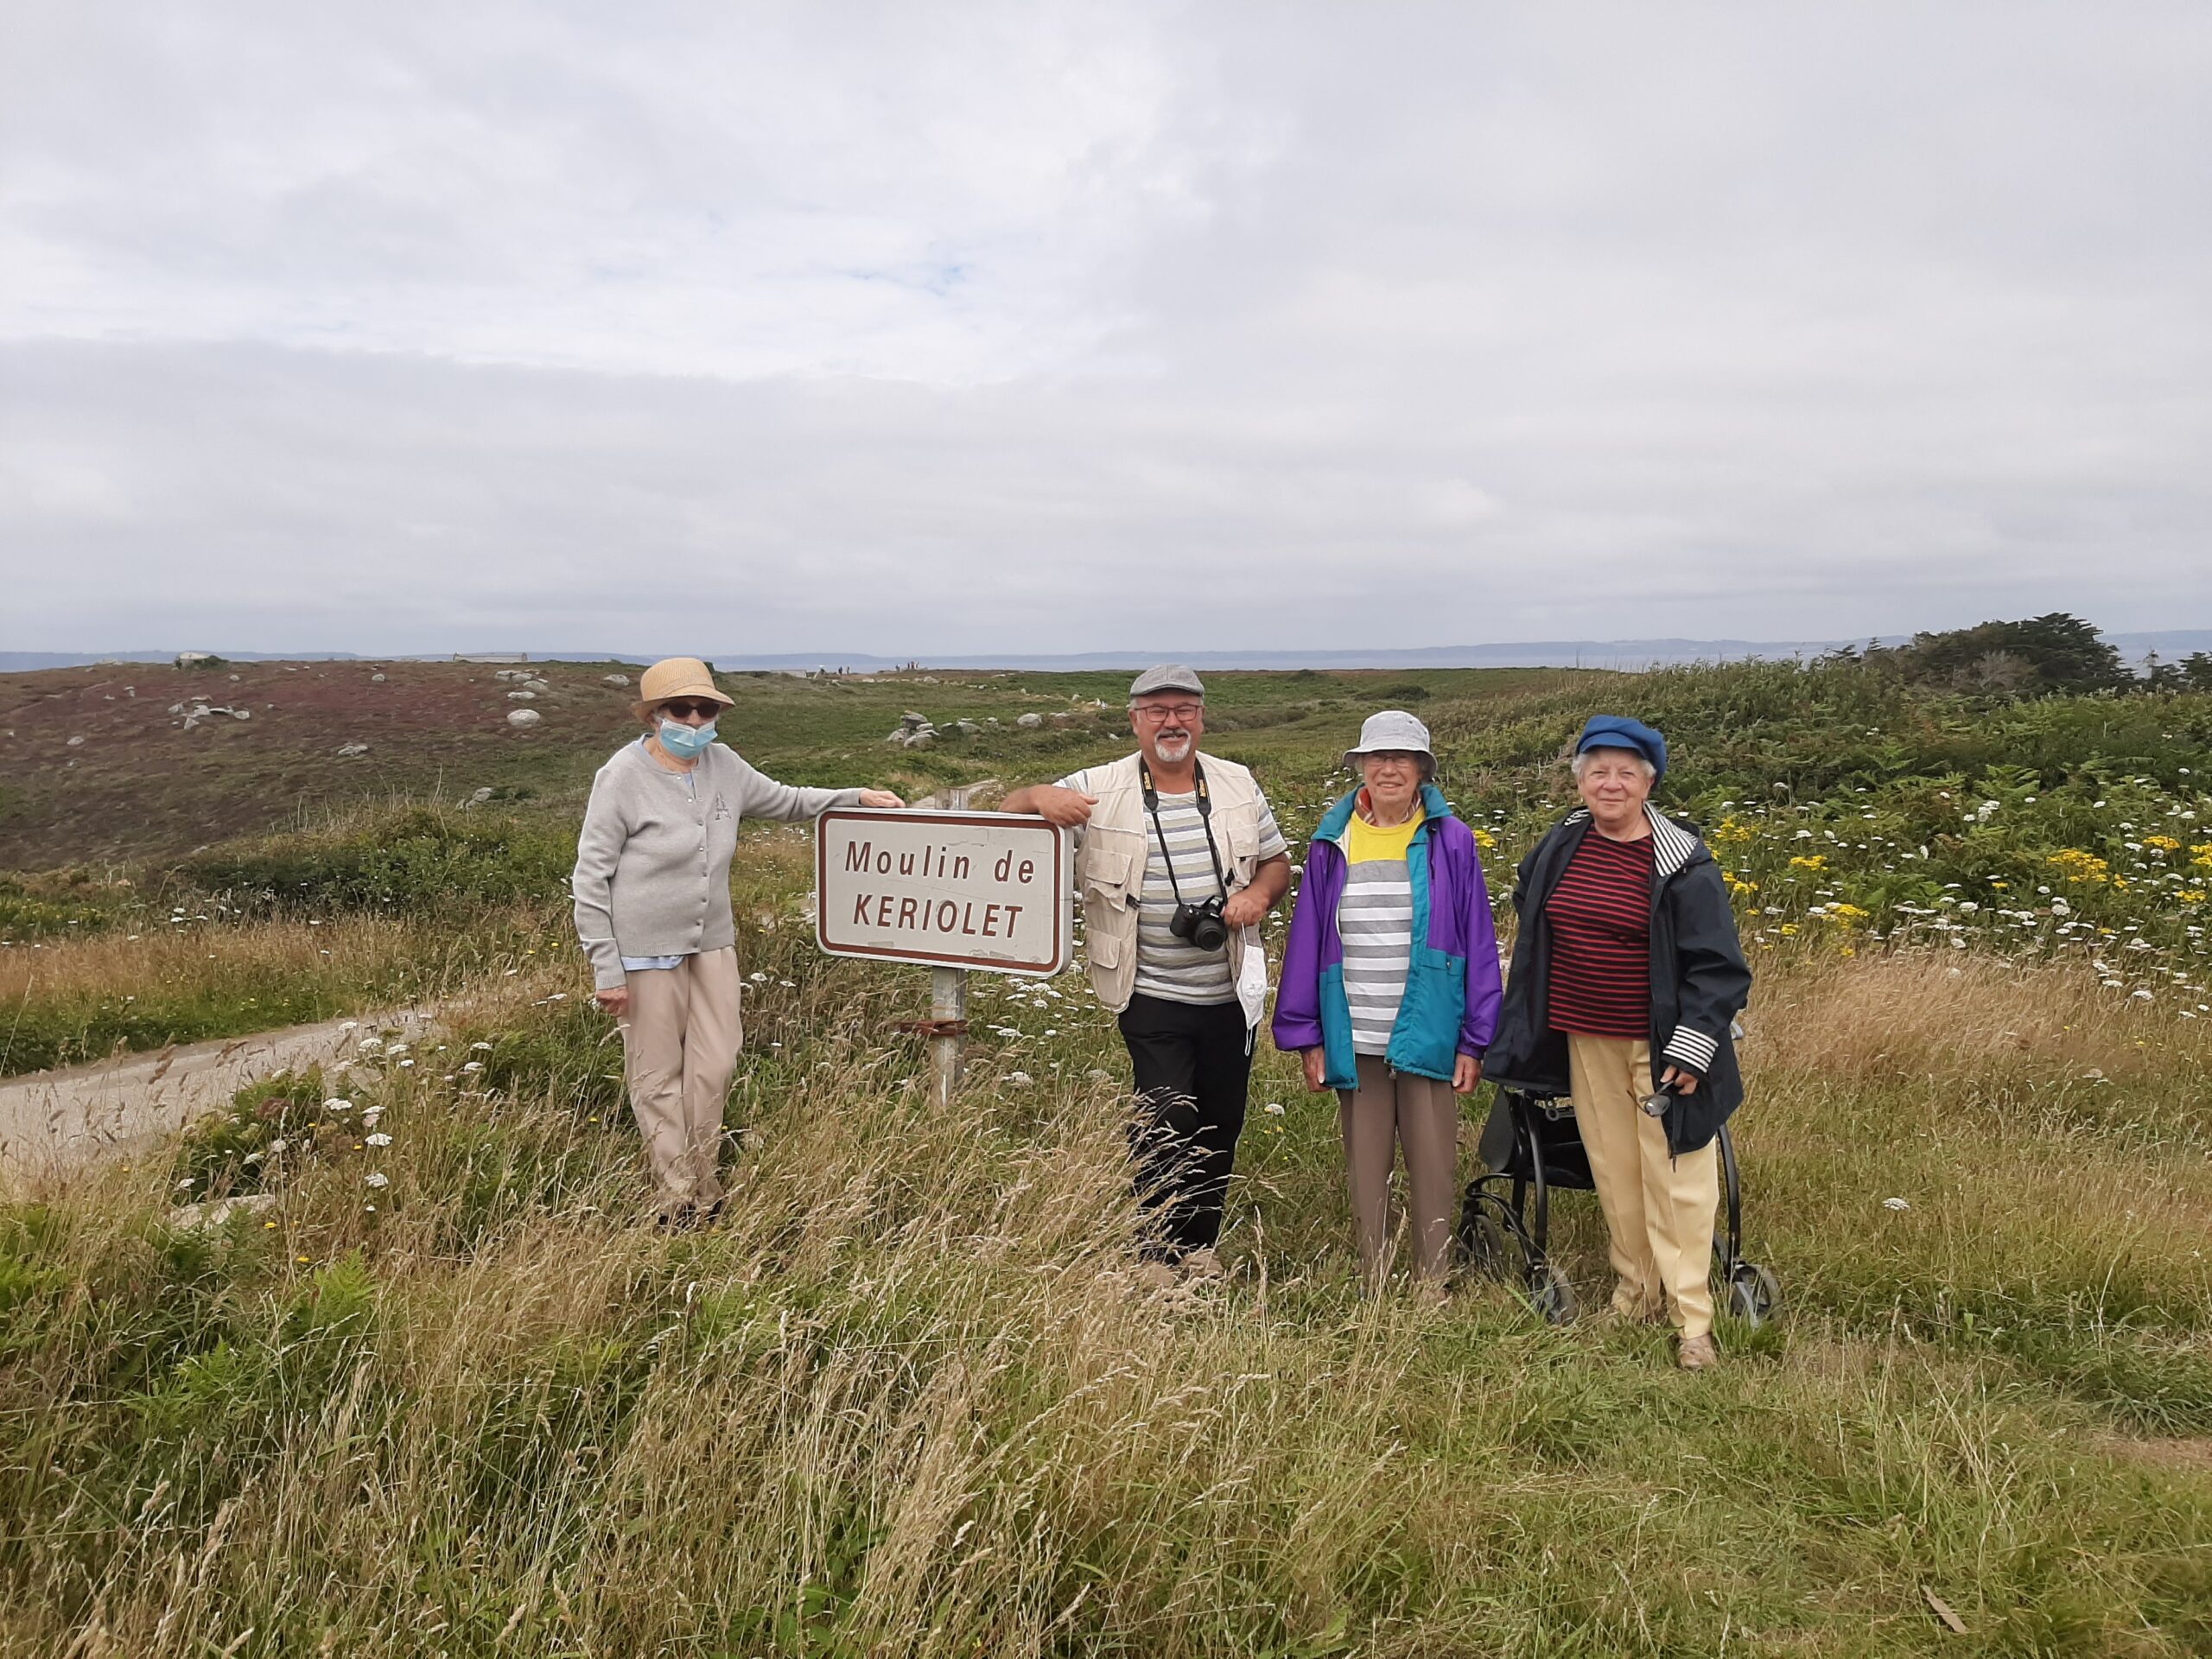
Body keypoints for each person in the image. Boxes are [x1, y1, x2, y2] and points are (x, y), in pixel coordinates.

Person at [572, 657, 904, 1223]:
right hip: (643, 950)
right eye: (681, 709)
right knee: (656, 1074)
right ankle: (679, 1196)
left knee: (715, 1065)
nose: (694, 720)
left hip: (712, 944)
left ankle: (703, 1179)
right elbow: (590, 877)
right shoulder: (621, 776)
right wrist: (607, 969)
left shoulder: (723, 764)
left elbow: (786, 799)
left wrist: (855, 796)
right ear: (654, 716)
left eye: (705, 709)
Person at [1002, 665, 1293, 1282]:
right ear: (1135, 720)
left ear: (1202, 718)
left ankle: (1199, 1247)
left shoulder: (1238, 784)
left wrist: (1258, 897)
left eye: (1184, 710)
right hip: (1148, 988)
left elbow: (1276, 863)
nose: (1171, 722)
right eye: (1157, 711)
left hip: (1231, 991)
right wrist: (1037, 796)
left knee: (1220, 1121)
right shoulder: (1096, 787)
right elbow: (1008, 813)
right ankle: (1155, 1250)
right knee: (1167, 1115)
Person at [1482, 715, 1752, 1370]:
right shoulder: (1562, 843)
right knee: (1615, 1171)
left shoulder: (1682, 863)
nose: (1611, 784)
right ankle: (1636, 1295)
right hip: (1585, 1036)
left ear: (1648, 783)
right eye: (1597, 771)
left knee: (1677, 1179)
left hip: (1663, 1048)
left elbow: (1719, 968)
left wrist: (1693, 1047)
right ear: (1581, 781)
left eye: (1626, 773)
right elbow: (1529, 897)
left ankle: (1693, 1322)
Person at [1272, 711, 1503, 1295]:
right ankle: (1373, 1280)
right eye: (1378, 757)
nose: (1389, 769)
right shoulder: (1332, 842)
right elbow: (1308, 939)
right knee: (1366, 1168)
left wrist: (1476, 1039)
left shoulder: (1452, 840)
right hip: (1357, 1033)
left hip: (1430, 1031)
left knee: (1434, 1164)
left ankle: (1432, 1283)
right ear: (1361, 766)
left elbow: (1478, 940)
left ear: (1423, 768)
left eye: (1402, 758)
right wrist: (1306, 1035)